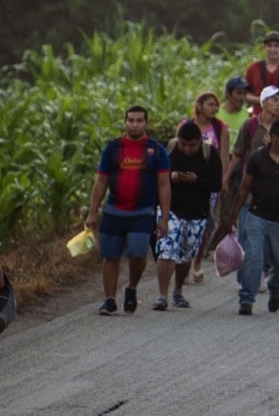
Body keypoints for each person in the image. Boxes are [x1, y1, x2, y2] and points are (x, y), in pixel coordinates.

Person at [85, 106, 171, 316]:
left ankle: (131, 287)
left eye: (139, 121)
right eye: (131, 120)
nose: (134, 124)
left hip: (143, 211)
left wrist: (164, 218)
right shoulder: (113, 148)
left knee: (137, 253)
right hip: (114, 209)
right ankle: (109, 300)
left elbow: (163, 185)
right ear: (125, 122)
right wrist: (93, 211)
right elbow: (101, 180)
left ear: (146, 124)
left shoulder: (156, 150)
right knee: (110, 256)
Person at [228, 119, 279, 315]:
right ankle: (246, 299)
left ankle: (275, 288)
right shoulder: (257, 158)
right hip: (257, 217)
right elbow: (244, 188)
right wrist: (233, 217)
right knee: (253, 258)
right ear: (273, 138)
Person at [204, 85, 279, 263]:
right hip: (248, 187)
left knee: (266, 234)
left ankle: (261, 271)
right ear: (263, 103)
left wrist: (274, 146)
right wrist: (225, 179)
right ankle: (245, 273)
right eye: (274, 100)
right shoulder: (249, 125)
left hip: (274, 190)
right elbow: (238, 154)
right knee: (245, 233)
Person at [153, 121, 222, 310]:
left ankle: (177, 290)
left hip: (197, 213)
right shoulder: (168, 149)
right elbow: (156, 177)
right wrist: (172, 177)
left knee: (186, 255)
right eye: (183, 144)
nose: (186, 149)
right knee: (166, 249)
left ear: (199, 142)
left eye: (191, 145)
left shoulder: (210, 154)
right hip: (170, 210)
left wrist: (196, 180)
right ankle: (162, 296)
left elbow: (217, 184)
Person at [180, 91, 229, 282]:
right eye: (210, 104)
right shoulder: (186, 126)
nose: (214, 108)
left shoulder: (219, 127)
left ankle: (197, 261)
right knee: (185, 222)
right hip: (187, 183)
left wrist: (222, 180)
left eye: (216, 105)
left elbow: (224, 156)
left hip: (208, 183)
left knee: (205, 225)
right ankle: (183, 260)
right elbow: (179, 151)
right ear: (199, 106)